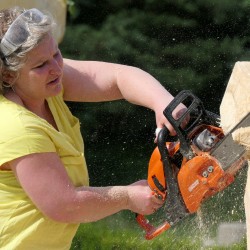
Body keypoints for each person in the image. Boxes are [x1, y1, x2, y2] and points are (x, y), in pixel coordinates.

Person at [0, 6, 186, 249]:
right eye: (40, 65)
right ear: (7, 77)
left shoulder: (46, 83)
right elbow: (63, 204)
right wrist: (127, 197)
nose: (56, 68)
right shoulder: (17, 126)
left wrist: (163, 103)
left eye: (56, 54)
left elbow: (119, 77)